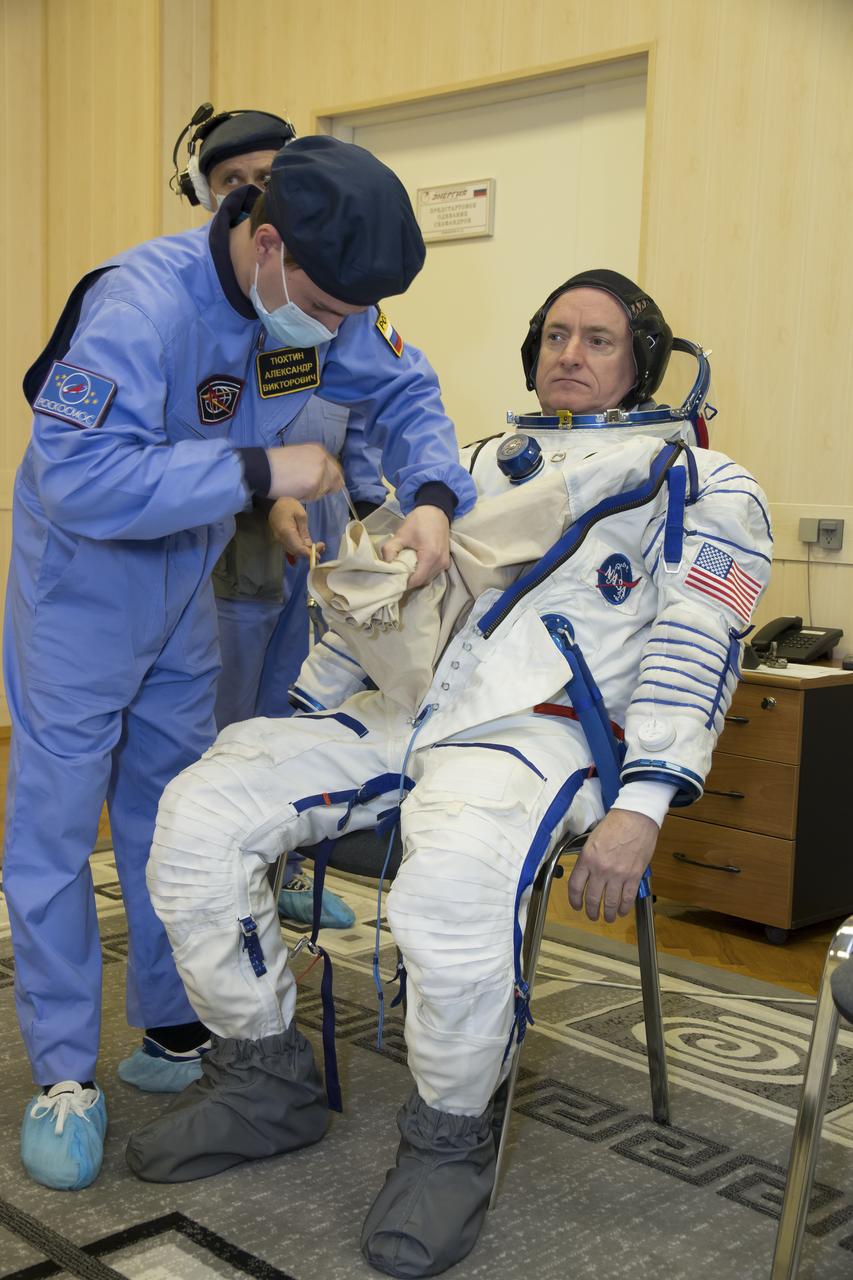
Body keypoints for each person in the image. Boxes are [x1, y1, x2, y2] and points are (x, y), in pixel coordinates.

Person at [124, 270, 772, 1276]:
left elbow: (698, 643)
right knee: (203, 808)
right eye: (555, 333)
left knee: (451, 885)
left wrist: (641, 804)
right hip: (406, 706)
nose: (570, 352)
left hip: (542, 728)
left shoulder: (701, 481)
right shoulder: (474, 463)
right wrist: (306, 716)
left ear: (645, 356)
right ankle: (263, 1079)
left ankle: (447, 1139)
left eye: (599, 339)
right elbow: (391, 594)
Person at [5, 133, 476, 1193]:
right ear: (266, 243)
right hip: (80, 589)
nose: (339, 331)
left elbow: (404, 393)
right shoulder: (141, 302)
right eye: (327, 306)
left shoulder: (313, 305)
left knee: (168, 809)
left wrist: (435, 499)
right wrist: (262, 464)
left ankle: (177, 1025)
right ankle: (65, 1071)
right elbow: (76, 472)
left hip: (186, 590)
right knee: (53, 823)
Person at [176, 104, 386, 928]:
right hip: (229, 550)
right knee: (222, 728)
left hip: (321, 552)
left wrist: (380, 510)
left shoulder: (327, 296)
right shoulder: (204, 314)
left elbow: (364, 414)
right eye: (236, 182)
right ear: (207, 195)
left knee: (294, 723)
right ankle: (215, 887)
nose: (255, 195)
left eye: (270, 179)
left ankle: (286, 874)